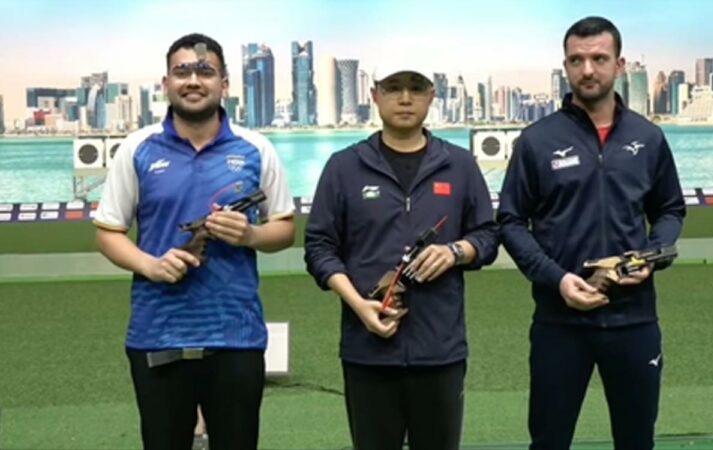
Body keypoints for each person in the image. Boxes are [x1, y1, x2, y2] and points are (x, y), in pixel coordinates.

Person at [94, 33, 295, 450]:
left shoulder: (257, 148)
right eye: (182, 71)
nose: (193, 80)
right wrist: (150, 265)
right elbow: (108, 231)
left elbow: (285, 230)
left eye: (205, 71)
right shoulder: (138, 148)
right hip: (157, 333)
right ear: (165, 83)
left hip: (236, 335)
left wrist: (250, 234)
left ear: (224, 83)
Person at [497, 16, 686, 450]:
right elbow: (510, 221)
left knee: (637, 441)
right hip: (559, 323)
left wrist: (654, 254)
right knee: (549, 442)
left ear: (619, 66)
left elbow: (670, 209)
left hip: (634, 320)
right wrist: (557, 279)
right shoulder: (536, 141)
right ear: (565, 66)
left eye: (599, 58)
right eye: (577, 60)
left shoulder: (648, 137)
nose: (587, 69)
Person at [304, 61, 498, 450]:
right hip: (368, 351)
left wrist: (456, 251)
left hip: (440, 351)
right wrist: (359, 305)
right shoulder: (344, 166)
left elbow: (488, 235)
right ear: (374, 95)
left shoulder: (459, 164)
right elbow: (319, 247)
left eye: (416, 88)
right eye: (393, 88)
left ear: (432, 96)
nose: (405, 98)